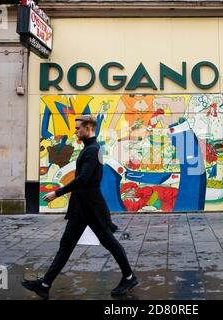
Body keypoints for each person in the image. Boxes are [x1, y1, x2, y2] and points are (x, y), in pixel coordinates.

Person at [21, 115, 138, 299]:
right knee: (66, 246)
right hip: (82, 207)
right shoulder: (89, 149)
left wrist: (57, 193)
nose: (75, 131)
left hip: (91, 207)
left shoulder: (92, 150)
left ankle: (129, 277)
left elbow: (83, 179)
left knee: (110, 243)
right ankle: (44, 284)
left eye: (78, 128)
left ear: (89, 128)